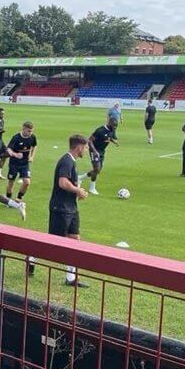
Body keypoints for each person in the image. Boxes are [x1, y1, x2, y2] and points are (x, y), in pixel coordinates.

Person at [49, 134, 89, 288]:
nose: (85, 150)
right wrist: (77, 190)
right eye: (84, 147)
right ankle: (31, 257)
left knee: (74, 240)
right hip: (60, 208)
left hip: (70, 208)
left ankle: (71, 278)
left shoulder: (72, 162)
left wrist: (77, 192)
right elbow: (62, 182)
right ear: (78, 147)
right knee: (53, 244)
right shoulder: (66, 161)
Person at [79, 117, 119, 195]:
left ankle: (80, 177)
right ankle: (92, 188)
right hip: (94, 150)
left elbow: (109, 137)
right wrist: (94, 151)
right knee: (96, 169)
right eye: (113, 126)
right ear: (109, 123)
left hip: (102, 151)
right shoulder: (100, 130)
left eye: (116, 126)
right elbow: (89, 140)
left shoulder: (112, 130)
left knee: (98, 170)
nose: (115, 127)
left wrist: (114, 141)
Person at [6, 121, 37, 201]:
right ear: (23, 129)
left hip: (25, 164)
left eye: (31, 131)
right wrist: (15, 154)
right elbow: (8, 149)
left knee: (27, 182)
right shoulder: (16, 138)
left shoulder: (32, 137)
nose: (30, 133)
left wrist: (32, 156)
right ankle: (8, 200)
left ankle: (18, 198)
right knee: (11, 182)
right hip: (14, 164)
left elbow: (34, 146)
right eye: (29, 131)